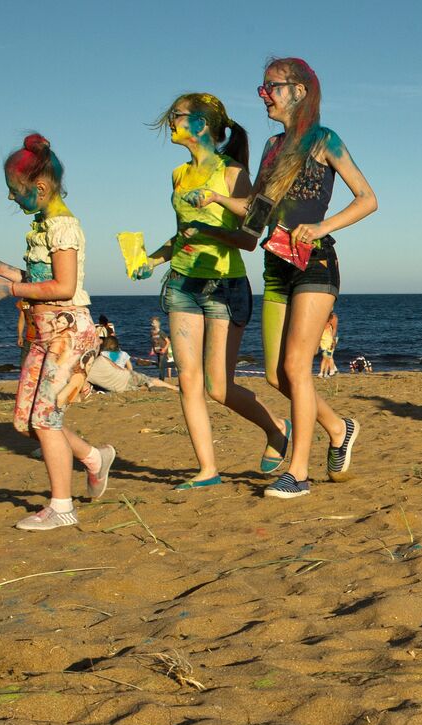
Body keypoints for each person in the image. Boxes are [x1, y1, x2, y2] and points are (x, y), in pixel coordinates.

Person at [191, 57, 376, 498]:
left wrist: (323, 226)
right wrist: (217, 199)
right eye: (262, 88)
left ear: (298, 91)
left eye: (270, 87)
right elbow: (258, 211)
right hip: (276, 267)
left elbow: (368, 199)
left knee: (297, 367)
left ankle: (299, 473)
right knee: (278, 375)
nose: (264, 96)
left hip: (314, 262)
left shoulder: (324, 140)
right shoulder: (274, 147)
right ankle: (339, 427)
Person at [133, 92, 291, 489]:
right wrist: (151, 260)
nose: (172, 123)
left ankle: (276, 427)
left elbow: (250, 238)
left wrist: (207, 228)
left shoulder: (233, 172)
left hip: (224, 284)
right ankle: (207, 470)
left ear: (202, 125)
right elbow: (181, 235)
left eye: (179, 117)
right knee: (188, 380)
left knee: (218, 386)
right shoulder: (177, 175)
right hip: (183, 284)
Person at [0, 135, 116, 530]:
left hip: (68, 332)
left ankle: (62, 506)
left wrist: (12, 290)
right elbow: (42, 277)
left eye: (14, 191)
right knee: (27, 421)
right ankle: (93, 457)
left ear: (39, 188)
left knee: (46, 421)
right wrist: (8, 271)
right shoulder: (42, 225)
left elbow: (64, 287)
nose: (10, 199)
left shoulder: (63, 227)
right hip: (44, 333)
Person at [89, 336, 178, 392]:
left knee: (131, 388)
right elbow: (130, 367)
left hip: (114, 383)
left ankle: (142, 388)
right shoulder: (123, 354)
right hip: (125, 375)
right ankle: (173, 387)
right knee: (149, 379)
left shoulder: (103, 354)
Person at [149, 316, 174, 380]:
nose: (152, 324)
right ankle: (174, 365)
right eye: (151, 323)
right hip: (157, 350)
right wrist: (152, 349)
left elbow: (168, 342)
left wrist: (164, 349)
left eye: (153, 323)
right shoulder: (152, 332)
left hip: (163, 350)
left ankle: (161, 379)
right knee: (160, 365)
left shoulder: (161, 332)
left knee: (161, 365)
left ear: (158, 324)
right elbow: (152, 341)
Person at [318, 311, 339, 378]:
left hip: (329, 341)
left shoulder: (333, 319)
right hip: (324, 342)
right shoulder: (323, 324)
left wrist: (333, 340)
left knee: (327, 357)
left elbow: (334, 329)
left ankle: (329, 371)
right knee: (326, 357)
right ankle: (330, 371)